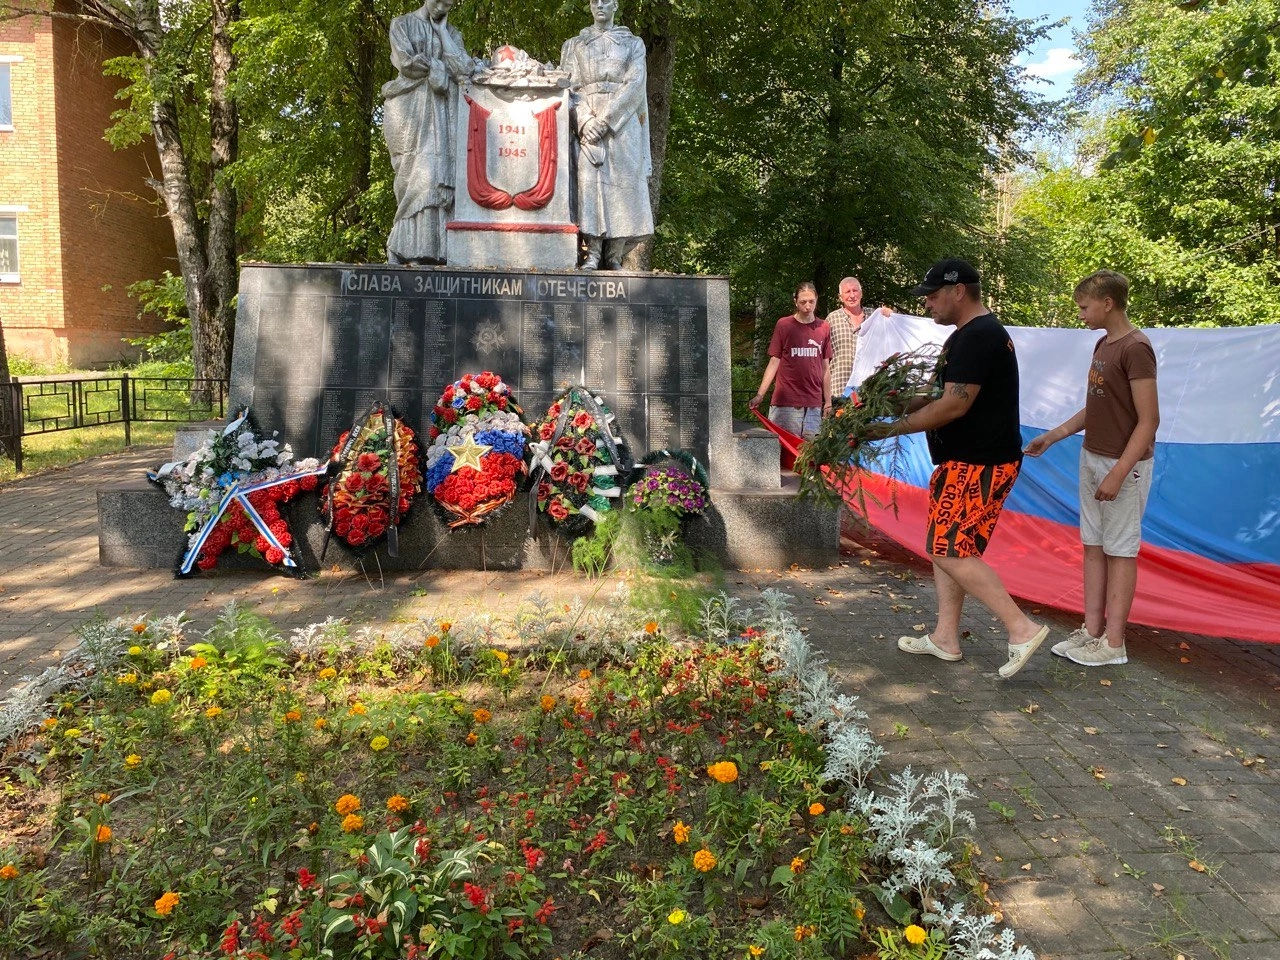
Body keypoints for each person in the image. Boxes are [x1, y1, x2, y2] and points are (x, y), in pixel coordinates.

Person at [870, 258, 1048, 678]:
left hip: (978, 463)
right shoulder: (964, 336)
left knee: (947, 549)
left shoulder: (980, 336)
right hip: (964, 461)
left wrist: (890, 428)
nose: (927, 304)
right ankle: (945, 638)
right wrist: (884, 402)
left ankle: (1021, 628)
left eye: (933, 296)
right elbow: (937, 392)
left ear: (958, 291)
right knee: (949, 548)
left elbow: (953, 404)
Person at [1024, 270, 1159, 666]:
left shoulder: (1136, 348)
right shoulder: (1103, 344)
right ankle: (1092, 630)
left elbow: (1149, 420)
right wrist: (1054, 435)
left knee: (1121, 551)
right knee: (1094, 546)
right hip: (1092, 456)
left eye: (1085, 307)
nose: (1081, 314)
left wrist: (1119, 472)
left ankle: (1114, 644)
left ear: (1108, 303)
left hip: (1123, 466)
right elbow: (1097, 406)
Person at [560, 0, 654, 270]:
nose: (600, 5)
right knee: (589, 184)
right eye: (594, 1)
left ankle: (614, 255)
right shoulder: (575, 45)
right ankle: (592, 252)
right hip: (588, 121)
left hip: (622, 124)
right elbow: (569, 87)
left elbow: (635, 84)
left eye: (606, 0)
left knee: (624, 184)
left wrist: (605, 121)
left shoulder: (633, 44)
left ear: (616, 5)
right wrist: (585, 121)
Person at [382, 0, 474, 265]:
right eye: (439, 1)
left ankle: (439, 250)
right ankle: (404, 247)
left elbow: (464, 69)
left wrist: (443, 33)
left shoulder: (453, 34)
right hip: (410, 110)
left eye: (449, 4)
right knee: (415, 177)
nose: (442, 7)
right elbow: (407, 63)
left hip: (443, 113)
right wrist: (438, 67)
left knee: (439, 178)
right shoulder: (402, 24)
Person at [748, 282, 832, 439]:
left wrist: (828, 401)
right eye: (803, 302)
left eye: (811, 301)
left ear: (816, 299)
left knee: (810, 452)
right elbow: (774, 361)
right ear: (795, 302)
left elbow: (825, 368)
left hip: (813, 405)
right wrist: (760, 394)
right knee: (783, 449)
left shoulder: (824, 327)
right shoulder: (784, 325)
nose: (808, 306)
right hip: (786, 402)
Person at [825, 277, 884, 402]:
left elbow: (888, 344)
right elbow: (822, 359)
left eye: (855, 291)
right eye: (847, 292)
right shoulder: (832, 319)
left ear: (861, 294)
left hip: (869, 390)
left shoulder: (874, 317)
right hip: (838, 390)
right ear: (840, 297)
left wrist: (888, 315)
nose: (852, 295)